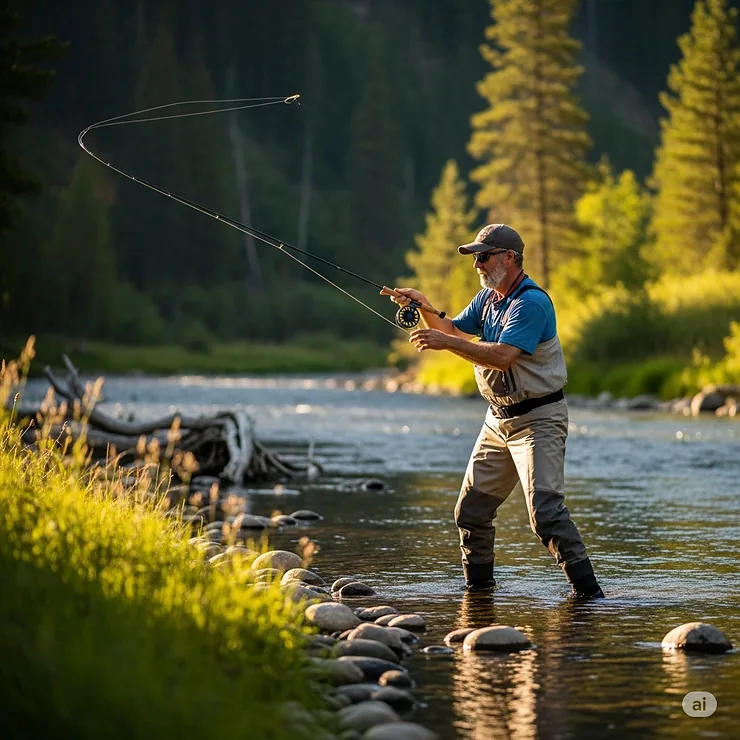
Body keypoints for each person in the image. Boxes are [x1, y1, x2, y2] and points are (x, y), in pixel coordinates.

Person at [384, 224, 604, 599]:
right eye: (475, 258)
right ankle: (479, 594)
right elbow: (453, 329)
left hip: (539, 420)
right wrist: (421, 305)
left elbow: (502, 357)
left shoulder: (530, 303)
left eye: (483, 257)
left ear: (509, 258)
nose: (477, 265)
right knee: (470, 512)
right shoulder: (488, 298)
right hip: (497, 421)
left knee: (546, 516)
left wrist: (443, 343)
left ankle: (590, 597)